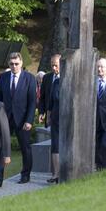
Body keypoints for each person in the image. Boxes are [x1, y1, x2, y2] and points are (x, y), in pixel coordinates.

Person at [0, 52, 36, 185]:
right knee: (0, 147)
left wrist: (29, 120)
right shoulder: (3, 77)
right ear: (8, 64)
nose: (14, 66)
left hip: (23, 119)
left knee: (25, 148)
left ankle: (25, 175)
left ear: (21, 63)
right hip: (5, 118)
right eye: (11, 64)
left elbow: (32, 101)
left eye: (16, 64)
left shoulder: (29, 78)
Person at [39, 54, 61, 183]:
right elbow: (43, 97)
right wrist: (42, 113)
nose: (54, 68)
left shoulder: (67, 77)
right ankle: (55, 174)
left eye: (56, 65)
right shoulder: (47, 78)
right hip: (53, 116)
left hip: (65, 116)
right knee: (55, 145)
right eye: (52, 65)